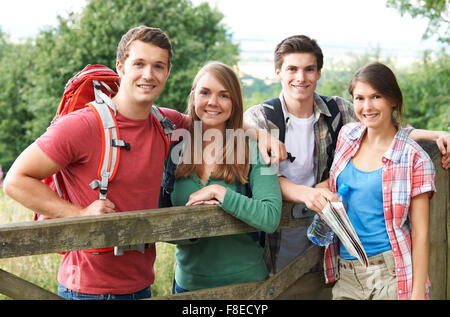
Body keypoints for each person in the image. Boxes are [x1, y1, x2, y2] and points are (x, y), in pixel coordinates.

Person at [3, 26, 284, 300]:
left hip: (141, 284)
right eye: (139, 63)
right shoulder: (82, 126)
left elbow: (213, 118)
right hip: (90, 288)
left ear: (167, 73)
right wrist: (77, 214)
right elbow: (16, 180)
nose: (148, 74)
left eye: (158, 66)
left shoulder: (167, 123)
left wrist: (259, 133)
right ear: (120, 67)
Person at [244, 35, 450, 274]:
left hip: (329, 248)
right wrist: (307, 194)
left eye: (309, 69)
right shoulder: (260, 118)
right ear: (278, 72)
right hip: (274, 244)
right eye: (292, 69)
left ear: (319, 73)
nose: (301, 78)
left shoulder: (338, 110)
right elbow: (257, 176)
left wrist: (436, 134)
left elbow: (382, 129)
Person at [162, 61, 282, 293]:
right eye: (205, 92)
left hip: (247, 287)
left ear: (235, 103)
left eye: (223, 95)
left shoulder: (255, 150)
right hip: (188, 287)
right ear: (194, 97)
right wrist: (198, 224)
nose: (212, 102)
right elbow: (161, 219)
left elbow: (270, 217)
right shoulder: (174, 150)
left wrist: (220, 193)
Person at [322, 62, 435, 300]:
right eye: (359, 98)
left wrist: (416, 295)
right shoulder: (347, 136)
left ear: (393, 100)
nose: (367, 106)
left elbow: (421, 233)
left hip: (391, 275)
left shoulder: (414, 158)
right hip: (347, 272)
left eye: (376, 96)